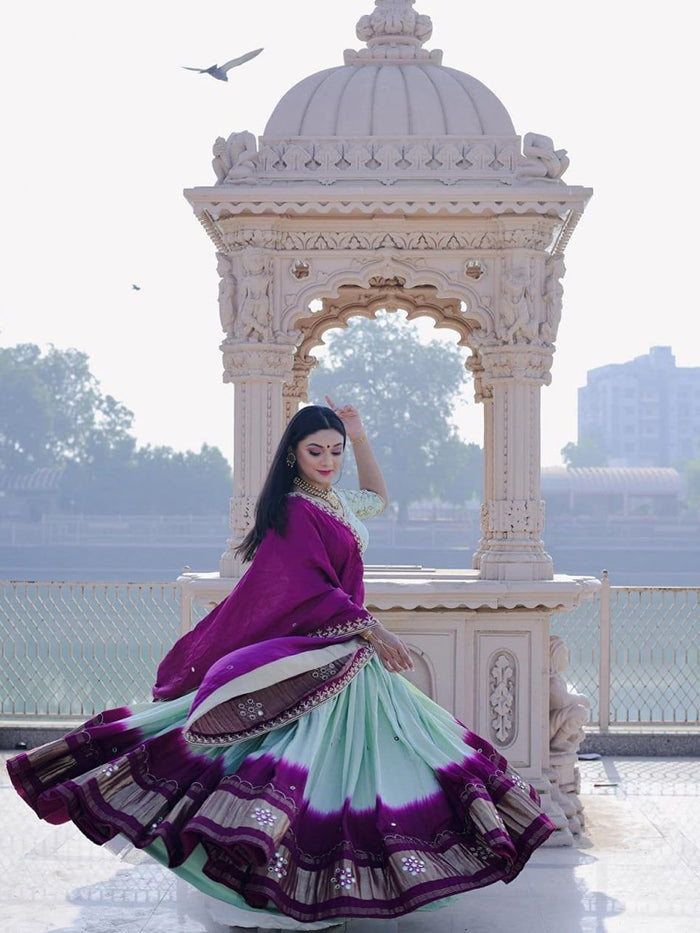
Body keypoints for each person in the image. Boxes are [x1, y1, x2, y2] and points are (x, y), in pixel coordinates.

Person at [6, 400, 555, 931]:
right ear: (293, 454)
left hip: (346, 648)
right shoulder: (295, 508)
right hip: (324, 647)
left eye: (336, 452)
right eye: (316, 451)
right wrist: (374, 628)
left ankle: (340, 885)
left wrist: (361, 438)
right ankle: (267, 890)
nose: (328, 461)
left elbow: (379, 499)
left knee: (368, 763)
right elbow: (306, 585)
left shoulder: (336, 502)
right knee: (300, 766)